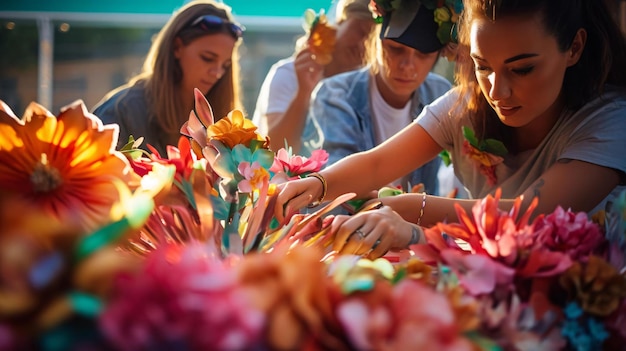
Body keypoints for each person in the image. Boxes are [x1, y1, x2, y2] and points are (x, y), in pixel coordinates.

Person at [275, 0, 626, 258]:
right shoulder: (465, 104)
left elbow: (528, 215)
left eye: (522, 69)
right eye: (482, 66)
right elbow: (378, 164)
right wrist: (316, 185)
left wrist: (410, 211)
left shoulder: (611, 121)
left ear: (574, 48)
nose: (497, 92)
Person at [300, 0, 453, 195]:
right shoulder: (335, 93)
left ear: (438, 55)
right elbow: (340, 179)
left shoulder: (441, 93)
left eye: (423, 54)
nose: (407, 65)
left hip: (420, 223)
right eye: (396, 49)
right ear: (375, 41)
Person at [92, 0, 244, 155]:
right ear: (177, 47)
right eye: (207, 58)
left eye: (225, 65)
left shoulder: (220, 119)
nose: (218, 73)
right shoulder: (120, 111)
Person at [251, 0, 377, 153]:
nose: (363, 45)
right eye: (361, 31)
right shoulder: (288, 73)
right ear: (340, 21)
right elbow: (276, 149)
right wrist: (303, 93)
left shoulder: (365, 88)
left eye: (373, 41)